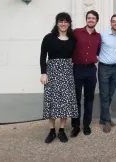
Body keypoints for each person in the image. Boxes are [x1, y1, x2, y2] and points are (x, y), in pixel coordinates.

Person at [40, 12, 78, 144]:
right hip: (52, 72)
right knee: (51, 101)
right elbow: (42, 56)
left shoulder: (73, 39)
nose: (63, 24)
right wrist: (43, 73)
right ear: (57, 23)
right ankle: (51, 130)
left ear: (69, 23)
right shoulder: (49, 38)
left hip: (67, 73)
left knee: (65, 102)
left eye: (66, 21)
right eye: (61, 21)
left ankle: (61, 130)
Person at [70, 10, 102, 137]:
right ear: (86, 19)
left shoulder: (98, 36)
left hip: (90, 70)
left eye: (93, 18)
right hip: (77, 69)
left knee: (89, 98)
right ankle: (76, 126)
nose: (91, 20)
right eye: (89, 18)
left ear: (96, 21)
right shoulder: (76, 32)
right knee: (76, 98)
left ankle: (86, 125)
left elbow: (98, 51)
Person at [97, 14, 116, 133]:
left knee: (109, 94)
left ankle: (103, 118)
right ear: (110, 23)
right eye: (114, 21)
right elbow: (95, 47)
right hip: (104, 67)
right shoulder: (102, 35)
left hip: (115, 67)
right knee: (104, 94)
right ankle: (107, 121)